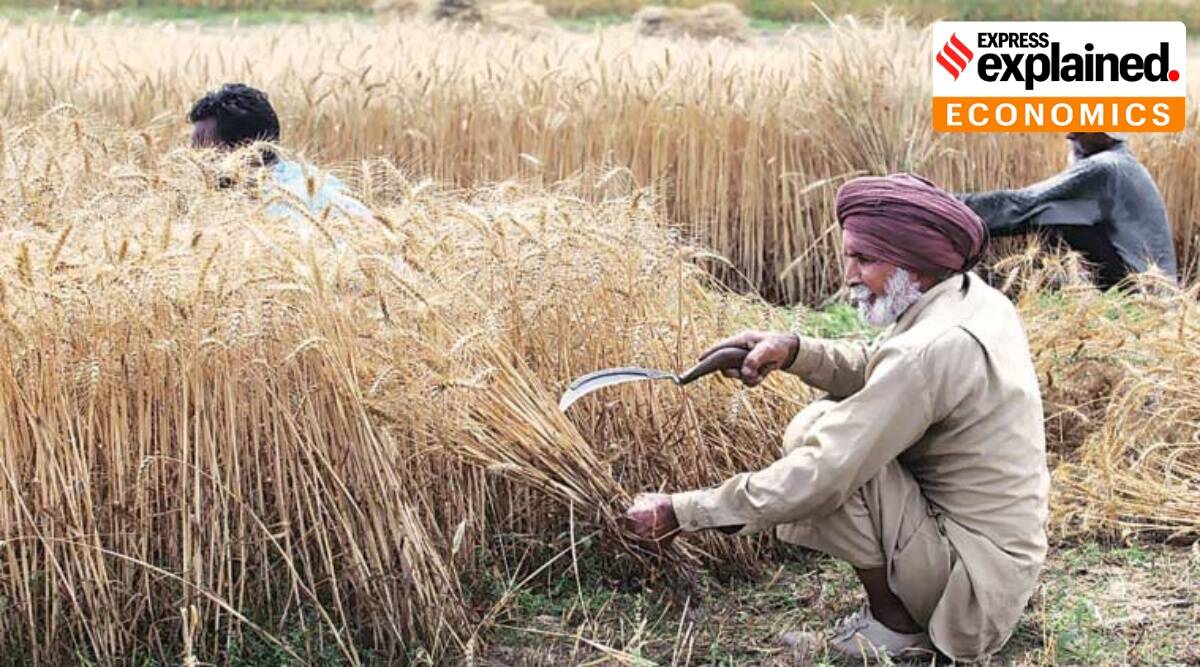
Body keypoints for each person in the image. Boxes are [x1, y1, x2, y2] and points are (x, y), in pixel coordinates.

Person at [623, 174, 1049, 662]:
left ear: (916, 263)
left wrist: (684, 511)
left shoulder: (927, 351)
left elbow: (826, 474)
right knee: (829, 431)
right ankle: (902, 613)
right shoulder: (972, 300)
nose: (848, 275)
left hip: (971, 597)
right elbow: (883, 367)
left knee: (824, 438)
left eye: (864, 259)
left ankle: (896, 629)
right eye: (849, 256)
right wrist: (794, 351)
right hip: (998, 567)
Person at [957, 132, 1176, 290]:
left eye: (1081, 130)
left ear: (1108, 135)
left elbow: (1024, 202)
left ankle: (958, 231)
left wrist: (951, 207)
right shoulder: (1125, 165)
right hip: (1156, 292)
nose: (1070, 136)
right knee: (1055, 210)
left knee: (1050, 214)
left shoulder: (1105, 167)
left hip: (1143, 294)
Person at [188, 83, 370, 225]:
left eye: (205, 151)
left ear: (246, 150)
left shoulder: (292, 204)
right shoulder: (220, 201)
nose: (195, 161)